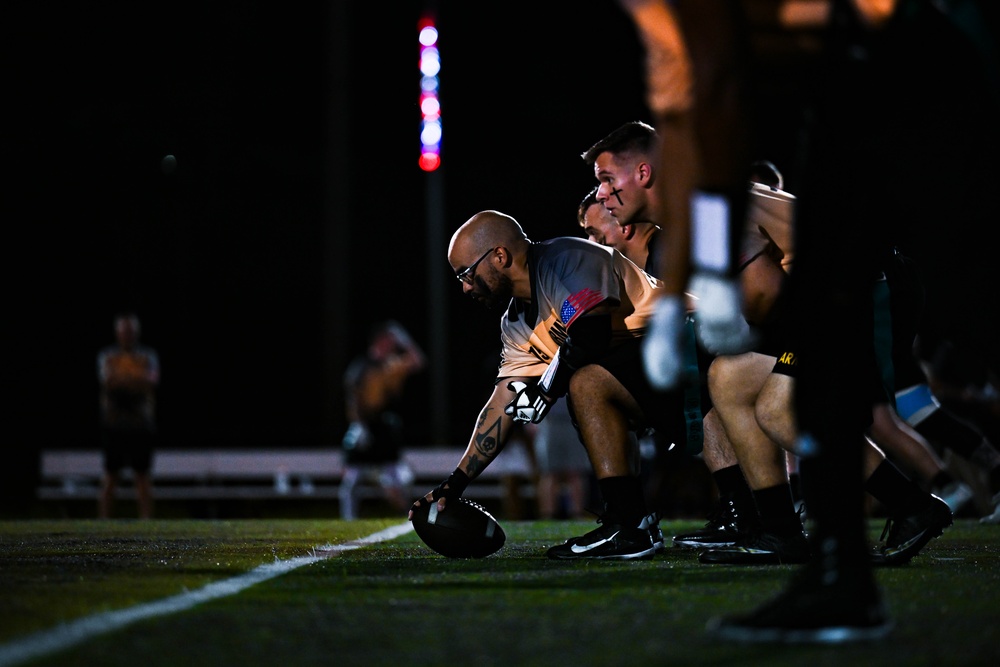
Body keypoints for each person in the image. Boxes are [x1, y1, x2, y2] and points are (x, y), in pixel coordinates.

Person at [409, 210, 684, 559]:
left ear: (499, 256)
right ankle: (633, 524)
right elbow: (503, 403)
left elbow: (591, 332)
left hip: (695, 350)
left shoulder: (565, 258)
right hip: (660, 376)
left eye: (467, 273)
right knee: (588, 383)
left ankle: (643, 522)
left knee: (587, 382)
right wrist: (455, 483)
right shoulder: (516, 322)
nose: (465, 286)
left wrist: (546, 389)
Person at [339, 320, 426, 520]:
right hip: (363, 427)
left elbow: (418, 362)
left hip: (384, 428)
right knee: (352, 478)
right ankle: (348, 519)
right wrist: (358, 425)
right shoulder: (362, 366)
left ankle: (407, 516)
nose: (392, 345)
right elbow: (353, 397)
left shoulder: (391, 365)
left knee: (396, 479)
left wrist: (405, 339)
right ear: (379, 341)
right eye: (389, 341)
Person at [97, 313, 160, 519]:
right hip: (114, 424)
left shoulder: (148, 355)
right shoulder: (107, 355)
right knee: (110, 476)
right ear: (117, 333)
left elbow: (150, 382)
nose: (127, 335)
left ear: (137, 333)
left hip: (140, 424)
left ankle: (146, 523)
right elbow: (108, 381)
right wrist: (135, 377)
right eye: (124, 331)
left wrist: (123, 378)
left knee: (142, 476)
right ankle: (103, 523)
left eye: (131, 331)